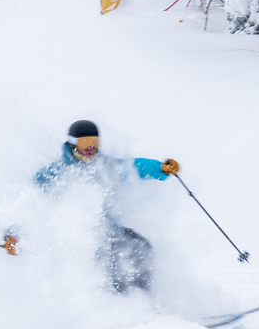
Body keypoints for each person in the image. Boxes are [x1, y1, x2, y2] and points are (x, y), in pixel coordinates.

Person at [28, 119, 179, 293]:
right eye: (85, 142)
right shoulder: (55, 172)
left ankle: (140, 298)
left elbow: (133, 167)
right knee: (112, 254)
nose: (91, 147)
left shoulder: (105, 165)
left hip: (106, 230)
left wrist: (160, 168)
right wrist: (14, 234)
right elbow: (28, 202)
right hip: (73, 238)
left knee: (140, 246)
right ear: (72, 144)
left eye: (94, 142)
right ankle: (115, 303)